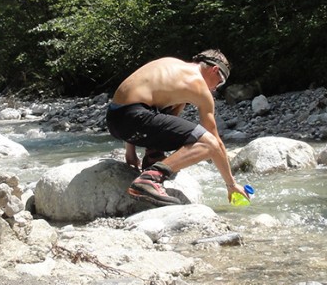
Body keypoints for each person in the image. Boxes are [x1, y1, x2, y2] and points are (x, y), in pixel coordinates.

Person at [106, 49, 250, 207]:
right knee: (208, 143)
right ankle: (150, 179)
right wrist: (231, 184)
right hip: (134, 119)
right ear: (214, 69)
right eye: (220, 82)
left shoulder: (170, 65)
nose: (216, 88)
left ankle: (153, 158)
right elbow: (214, 142)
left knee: (171, 116)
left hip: (115, 121)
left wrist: (130, 152)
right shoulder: (199, 86)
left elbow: (135, 102)